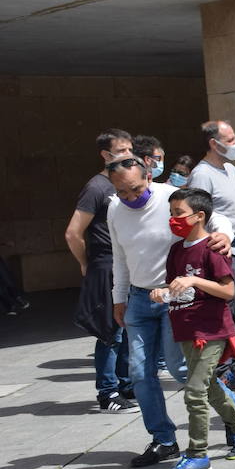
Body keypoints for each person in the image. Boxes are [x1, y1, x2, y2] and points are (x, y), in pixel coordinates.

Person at [107, 158, 235, 468]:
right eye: (122, 192)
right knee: (139, 373)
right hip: (140, 298)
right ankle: (164, 440)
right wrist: (119, 297)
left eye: (136, 189)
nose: (130, 197)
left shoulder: (172, 198)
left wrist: (225, 237)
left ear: (148, 176)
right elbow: (119, 256)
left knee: (182, 370)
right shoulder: (115, 208)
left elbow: (215, 221)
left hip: (179, 297)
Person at [150, 188, 235, 469]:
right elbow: (175, 288)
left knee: (195, 393)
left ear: (199, 216)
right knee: (208, 386)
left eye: (178, 214)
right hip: (184, 327)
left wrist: (195, 279)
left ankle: (197, 454)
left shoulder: (212, 247)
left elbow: (228, 290)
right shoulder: (175, 250)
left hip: (211, 330)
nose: (173, 220)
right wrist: (162, 294)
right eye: (171, 214)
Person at [66, 130, 136, 413]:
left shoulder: (126, 183)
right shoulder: (96, 187)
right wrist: (86, 263)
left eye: (130, 149)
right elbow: (73, 233)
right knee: (110, 332)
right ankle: (107, 392)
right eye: (121, 150)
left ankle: (125, 383)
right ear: (106, 156)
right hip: (106, 266)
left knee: (127, 327)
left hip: (127, 265)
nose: (128, 154)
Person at [189, 120, 235, 326]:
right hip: (223, 251)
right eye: (230, 140)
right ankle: (225, 357)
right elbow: (198, 216)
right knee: (225, 308)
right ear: (214, 144)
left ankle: (230, 354)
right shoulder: (202, 175)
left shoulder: (230, 169)